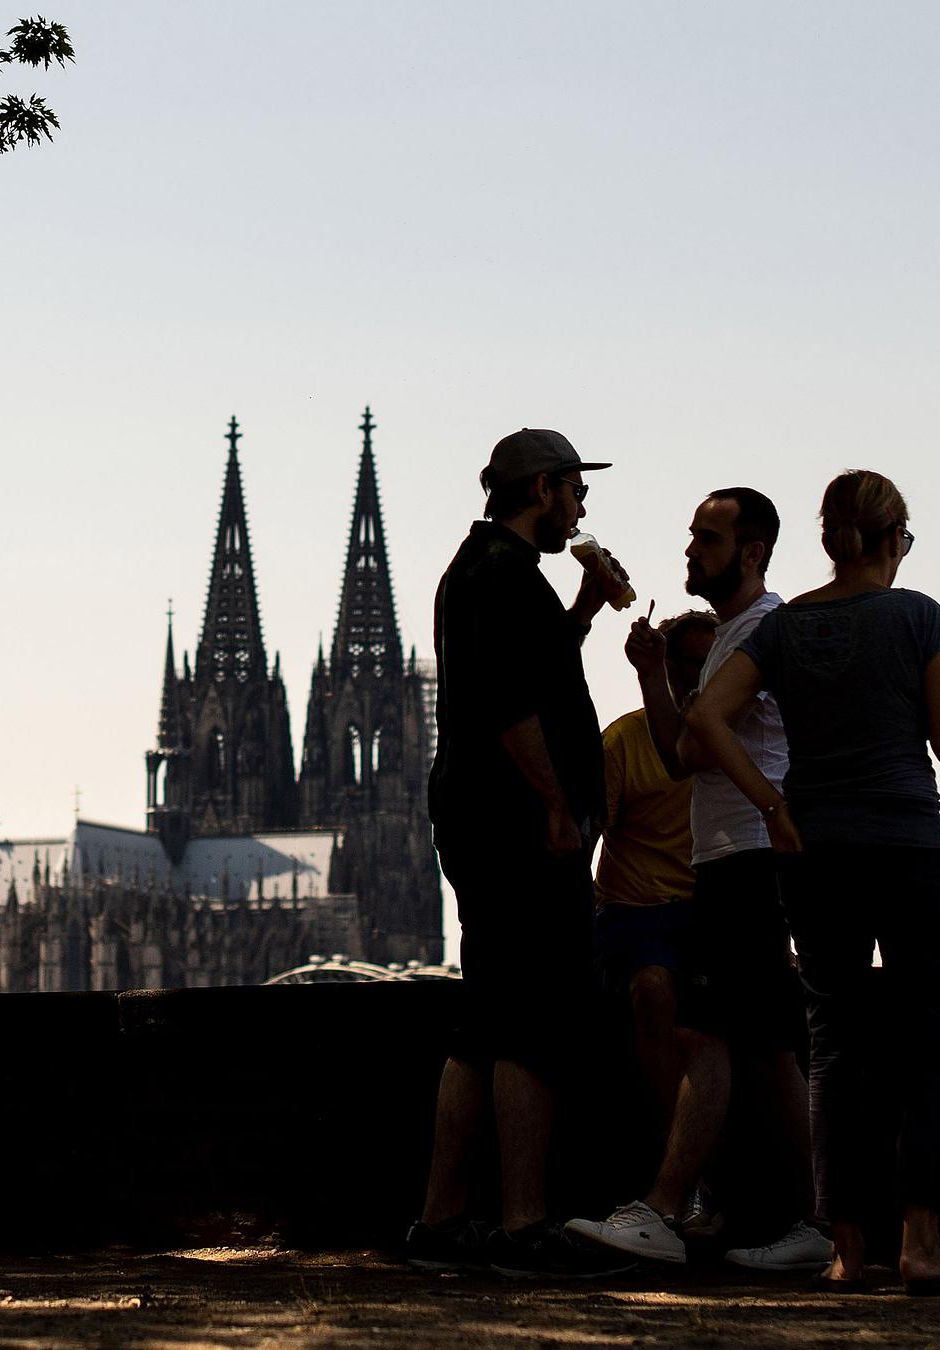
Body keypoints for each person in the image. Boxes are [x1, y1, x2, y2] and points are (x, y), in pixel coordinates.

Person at [685, 469, 940, 1294]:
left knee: (834, 1050)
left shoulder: (783, 629)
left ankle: (847, 1250)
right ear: (892, 538)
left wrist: (773, 806)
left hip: (814, 851)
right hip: (909, 846)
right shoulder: (917, 615)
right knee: (927, 1046)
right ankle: (924, 1243)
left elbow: (705, 718)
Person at [572, 488, 827, 1272]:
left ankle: (672, 1207)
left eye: (707, 539)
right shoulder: (739, 638)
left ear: (751, 552)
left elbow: (695, 741)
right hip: (732, 861)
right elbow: (684, 745)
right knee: (761, 1045)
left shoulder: (758, 630)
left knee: (729, 1039)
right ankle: (811, 1221)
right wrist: (655, 673)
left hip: (744, 860)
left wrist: (770, 808)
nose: (689, 550)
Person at [405, 428, 633, 1278]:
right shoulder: (501, 576)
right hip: (515, 825)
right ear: (541, 489)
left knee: (485, 1020)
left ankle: (442, 1222)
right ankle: (525, 1224)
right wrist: (556, 808)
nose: (581, 507)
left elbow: (524, 675)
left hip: (481, 819)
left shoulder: (489, 574)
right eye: (575, 490)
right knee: (533, 1021)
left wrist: (580, 610)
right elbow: (508, 709)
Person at [587, 610, 715, 1167]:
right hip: (636, 912)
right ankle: (682, 1169)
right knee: (654, 993)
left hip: (707, 911)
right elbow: (585, 836)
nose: (704, 680)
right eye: (691, 666)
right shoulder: (624, 741)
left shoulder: (731, 743)